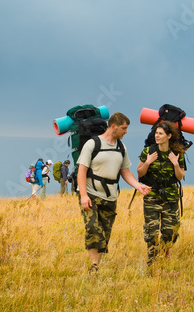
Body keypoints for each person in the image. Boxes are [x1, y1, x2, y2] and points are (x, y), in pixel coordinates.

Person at [77, 112, 151, 273]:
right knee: (92, 228)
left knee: (104, 232)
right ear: (113, 126)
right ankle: (94, 265)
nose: (126, 131)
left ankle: (96, 264)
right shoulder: (92, 144)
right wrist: (83, 195)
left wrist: (138, 186)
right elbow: (81, 171)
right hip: (91, 194)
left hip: (110, 196)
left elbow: (125, 172)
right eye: (124, 128)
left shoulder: (121, 147)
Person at [137, 121, 186, 266]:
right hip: (152, 197)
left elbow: (180, 176)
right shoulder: (148, 151)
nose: (157, 136)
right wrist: (147, 162)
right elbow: (140, 172)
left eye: (160, 133)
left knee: (169, 231)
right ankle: (151, 261)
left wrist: (175, 164)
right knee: (151, 231)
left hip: (170, 198)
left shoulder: (177, 153)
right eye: (156, 133)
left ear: (169, 136)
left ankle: (165, 256)